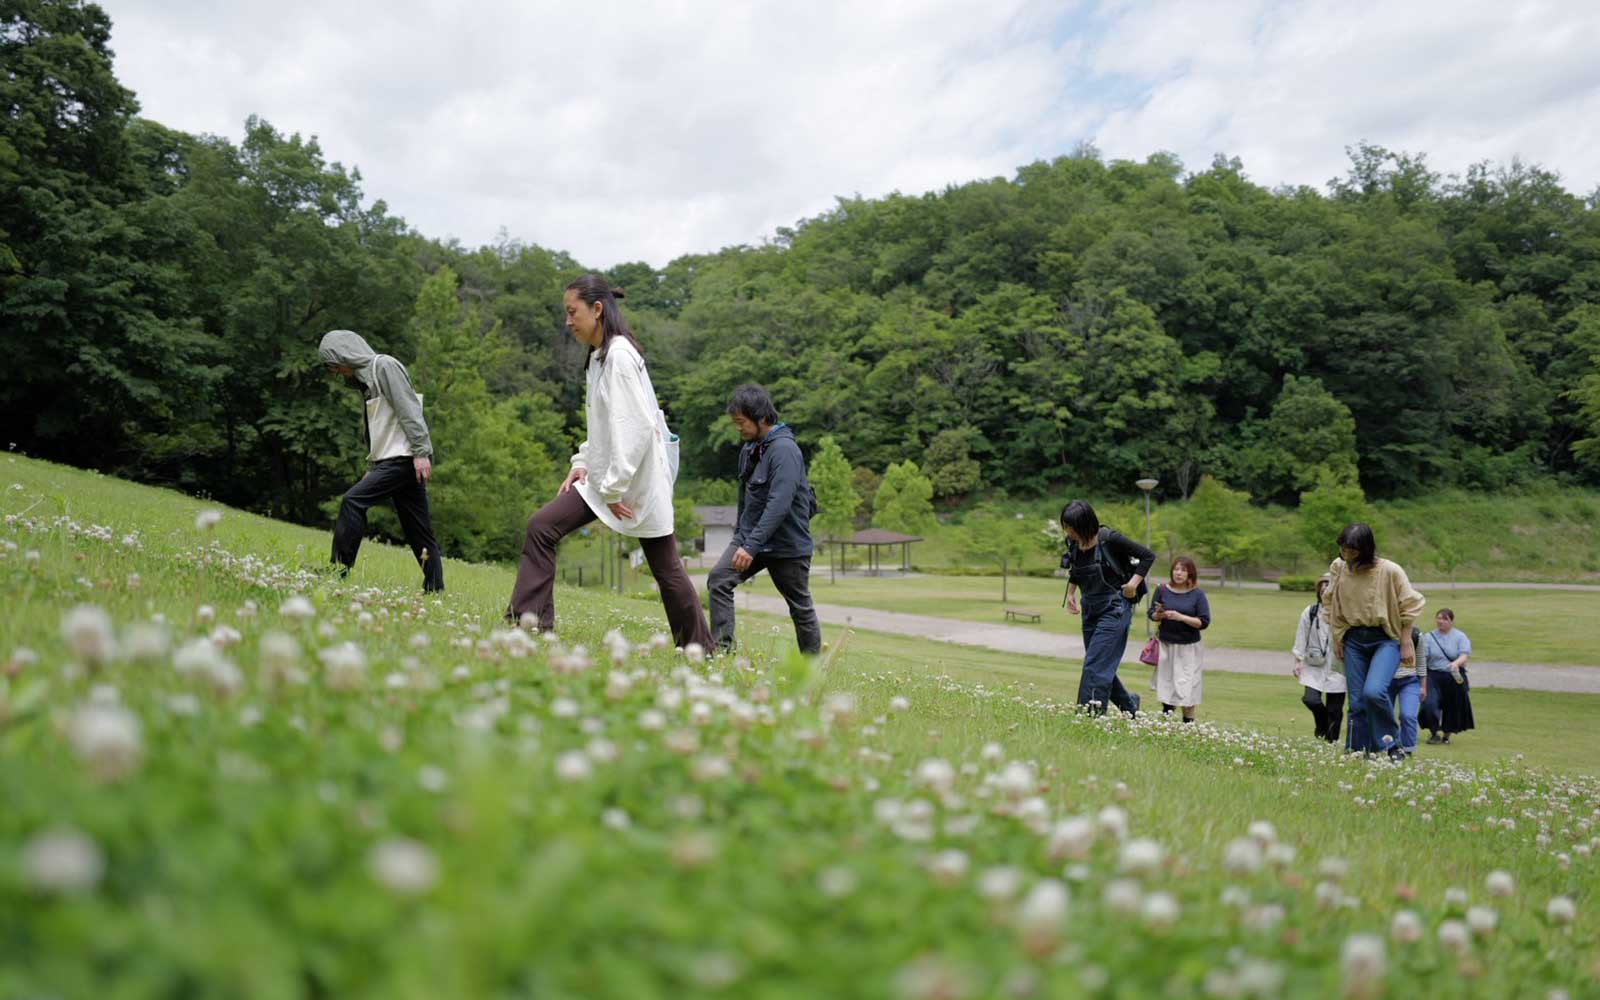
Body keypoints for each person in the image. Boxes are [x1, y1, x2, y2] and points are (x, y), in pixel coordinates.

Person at [505, 275, 711, 651]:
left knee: (666, 569)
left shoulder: (618, 356)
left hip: (633, 480)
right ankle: (530, 625)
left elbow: (634, 428)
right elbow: (600, 426)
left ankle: (700, 649)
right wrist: (582, 461)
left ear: (597, 309)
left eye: (573, 312)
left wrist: (615, 486)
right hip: (605, 478)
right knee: (541, 527)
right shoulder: (599, 357)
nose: (568, 321)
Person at [318, 330, 444, 592]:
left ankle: (338, 570)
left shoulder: (384, 366)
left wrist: (421, 452)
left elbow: (408, 408)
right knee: (417, 531)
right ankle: (435, 588)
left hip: (404, 457)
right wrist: (373, 466)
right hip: (395, 459)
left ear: (345, 355)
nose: (336, 372)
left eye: (334, 365)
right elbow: (380, 429)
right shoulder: (367, 382)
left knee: (353, 501)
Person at [708, 385, 822, 655]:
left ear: (761, 418)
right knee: (719, 580)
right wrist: (740, 540)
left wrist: (750, 546)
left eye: (741, 422)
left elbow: (778, 505)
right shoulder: (750, 449)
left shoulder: (785, 451)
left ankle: (811, 670)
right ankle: (723, 652)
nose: (738, 428)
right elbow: (746, 502)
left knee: (799, 607)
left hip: (787, 546)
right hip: (752, 542)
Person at [1322, 523, 1426, 759]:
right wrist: (1337, 637)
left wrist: (1406, 639)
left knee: (1374, 692)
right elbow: (1331, 602)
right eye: (1343, 548)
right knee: (1357, 702)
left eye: (1352, 550)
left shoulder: (1389, 570)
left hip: (1385, 638)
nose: (1345, 554)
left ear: (1365, 549)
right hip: (1353, 639)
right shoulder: (1339, 568)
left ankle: (1393, 745)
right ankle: (1357, 751)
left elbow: (1411, 602)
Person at [1061, 500, 1154, 716]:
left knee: (1094, 665)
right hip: (1090, 609)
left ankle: (1089, 717)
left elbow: (1147, 556)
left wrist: (1133, 584)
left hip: (1115, 608)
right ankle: (1130, 707)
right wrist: (1071, 593)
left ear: (1085, 524)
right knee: (1099, 663)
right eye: (1065, 525)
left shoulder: (1109, 539)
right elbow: (1076, 568)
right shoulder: (1073, 542)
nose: (1068, 531)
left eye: (1071, 526)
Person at [1147, 555, 1210, 722]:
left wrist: (1181, 617)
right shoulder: (1162, 590)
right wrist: (1158, 614)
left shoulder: (1197, 595)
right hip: (1167, 646)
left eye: (1183, 570)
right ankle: (1165, 724)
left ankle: (1188, 724)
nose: (1178, 573)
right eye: (1176, 569)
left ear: (1190, 574)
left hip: (1188, 648)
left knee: (1187, 687)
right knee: (1167, 685)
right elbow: (1151, 614)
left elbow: (1203, 622)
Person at [1292, 575, 1345, 742]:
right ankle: (1321, 722)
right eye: (1322, 590)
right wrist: (1298, 661)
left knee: (1335, 709)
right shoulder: (1310, 612)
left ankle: (1331, 742)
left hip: (1339, 666)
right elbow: (1301, 637)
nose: (1324, 593)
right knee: (1311, 700)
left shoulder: (1345, 614)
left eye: (1328, 590)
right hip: (1313, 664)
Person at [1422, 608, 1474, 744]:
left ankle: (1446, 736)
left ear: (1451, 621)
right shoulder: (1428, 637)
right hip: (1433, 674)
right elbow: (1423, 657)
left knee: (1452, 706)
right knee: (1430, 703)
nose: (1441, 621)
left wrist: (1456, 663)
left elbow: (1464, 654)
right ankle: (1434, 732)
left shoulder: (1460, 636)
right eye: (1438, 618)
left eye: (1445, 619)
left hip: (1453, 675)